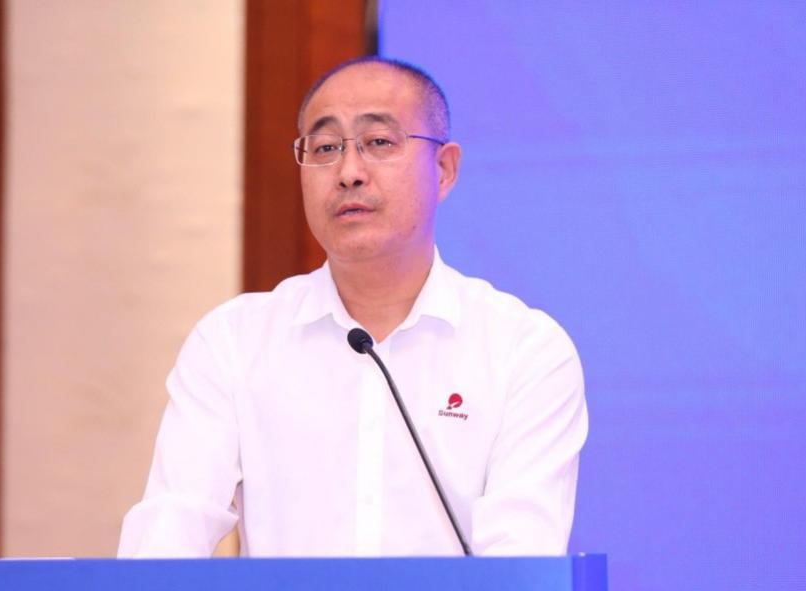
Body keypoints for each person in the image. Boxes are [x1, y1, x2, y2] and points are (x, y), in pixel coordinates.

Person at [118, 57, 586, 558]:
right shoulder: (233, 342)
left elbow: (521, 566)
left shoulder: (523, 351)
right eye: (325, 148)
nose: (349, 173)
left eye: (379, 142)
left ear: (444, 170)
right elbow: (168, 536)